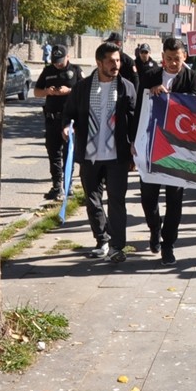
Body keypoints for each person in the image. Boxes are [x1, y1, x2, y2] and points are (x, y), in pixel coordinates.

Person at [63, 42, 138, 263]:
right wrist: (66, 126)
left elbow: (134, 119)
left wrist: (134, 146)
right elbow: (69, 113)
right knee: (92, 199)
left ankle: (117, 247)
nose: (116, 65)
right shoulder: (83, 88)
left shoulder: (126, 87)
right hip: (90, 155)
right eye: (111, 61)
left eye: (118, 60)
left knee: (117, 201)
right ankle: (102, 239)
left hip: (117, 156)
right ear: (99, 62)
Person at [136, 37, 196, 266]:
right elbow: (138, 109)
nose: (173, 63)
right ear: (163, 58)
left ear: (184, 57)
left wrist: (170, 99)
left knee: (174, 200)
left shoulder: (192, 77)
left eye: (177, 58)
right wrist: (133, 142)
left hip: (179, 150)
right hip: (152, 145)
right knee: (148, 198)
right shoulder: (150, 76)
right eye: (169, 59)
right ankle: (155, 228)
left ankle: (168, 244)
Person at [33, 45, 83, 200]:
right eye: (55, 61)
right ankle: (57, 186)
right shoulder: (48, 71)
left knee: (69, 153)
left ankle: (67, 185)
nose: (58, 64)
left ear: (68, 56)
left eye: (60, 61)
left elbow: (84, 91)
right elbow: (36, 92)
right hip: (52, 118)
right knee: (53, 153)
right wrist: (48, 92)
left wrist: (68, 91)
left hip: (69, 120)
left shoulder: (75, 70)